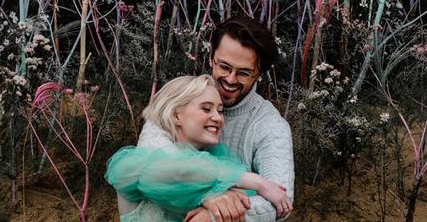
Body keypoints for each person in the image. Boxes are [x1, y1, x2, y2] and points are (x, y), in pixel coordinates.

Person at [139, 18, 294, 222]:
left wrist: (214, 216)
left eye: (243, 73)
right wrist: (206, 195)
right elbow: (150, 154)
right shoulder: (182, 97)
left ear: (259, 74)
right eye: (224, 66)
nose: (230, 79)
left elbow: (281, 202)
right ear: (211, 57)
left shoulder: (271, 126)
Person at [105, 75, 292, 221]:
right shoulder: (143, 163)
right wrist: (256, 181)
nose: (218, 118)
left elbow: (241, 201)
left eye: (219, 110)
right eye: (206, 108)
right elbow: (175, 172)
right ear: (176, 116)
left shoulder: (216, 161)